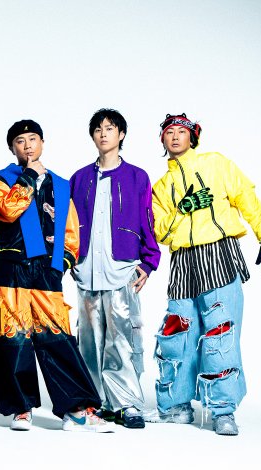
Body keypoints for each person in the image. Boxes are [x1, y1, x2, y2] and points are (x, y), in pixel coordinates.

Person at [147, 113, 261, 435]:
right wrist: (183, 208)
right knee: (177, 333)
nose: (175, 136)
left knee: (221, 332)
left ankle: (222, 411)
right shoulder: (161, 187)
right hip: (183, 262)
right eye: (169, 132)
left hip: (218, 254)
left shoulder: (216, 164)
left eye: (181, 131)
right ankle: (176, 407)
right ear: (162, 140)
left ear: (193, 137)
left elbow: (246, 197)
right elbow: (160, 232)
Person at [0, 119, 114, 433]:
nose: (27, 145)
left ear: (42, 143)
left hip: (46, 271)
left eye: (33, 139)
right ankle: (21, 408)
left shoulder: (61, 184)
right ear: (12, 148)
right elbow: (8, 210)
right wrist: (29, 175)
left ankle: (77, 410)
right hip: (9, 268)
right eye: (20, 141)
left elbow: (71, 230)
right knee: (12, 339)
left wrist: (62, 263)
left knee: (57, 339)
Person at [69, 108, 161, 429]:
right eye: (98, 129)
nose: (103, 133)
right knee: (89, 339)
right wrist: (68, 259)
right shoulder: (79, 178)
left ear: (121, 135)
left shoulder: (137, 177)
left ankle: (126, 403)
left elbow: (147, 220)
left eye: (110, 128)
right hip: (86, 268)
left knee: (122, 336)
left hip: (121, 267)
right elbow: (68, 224)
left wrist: (149, 261)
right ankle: (94, 403)